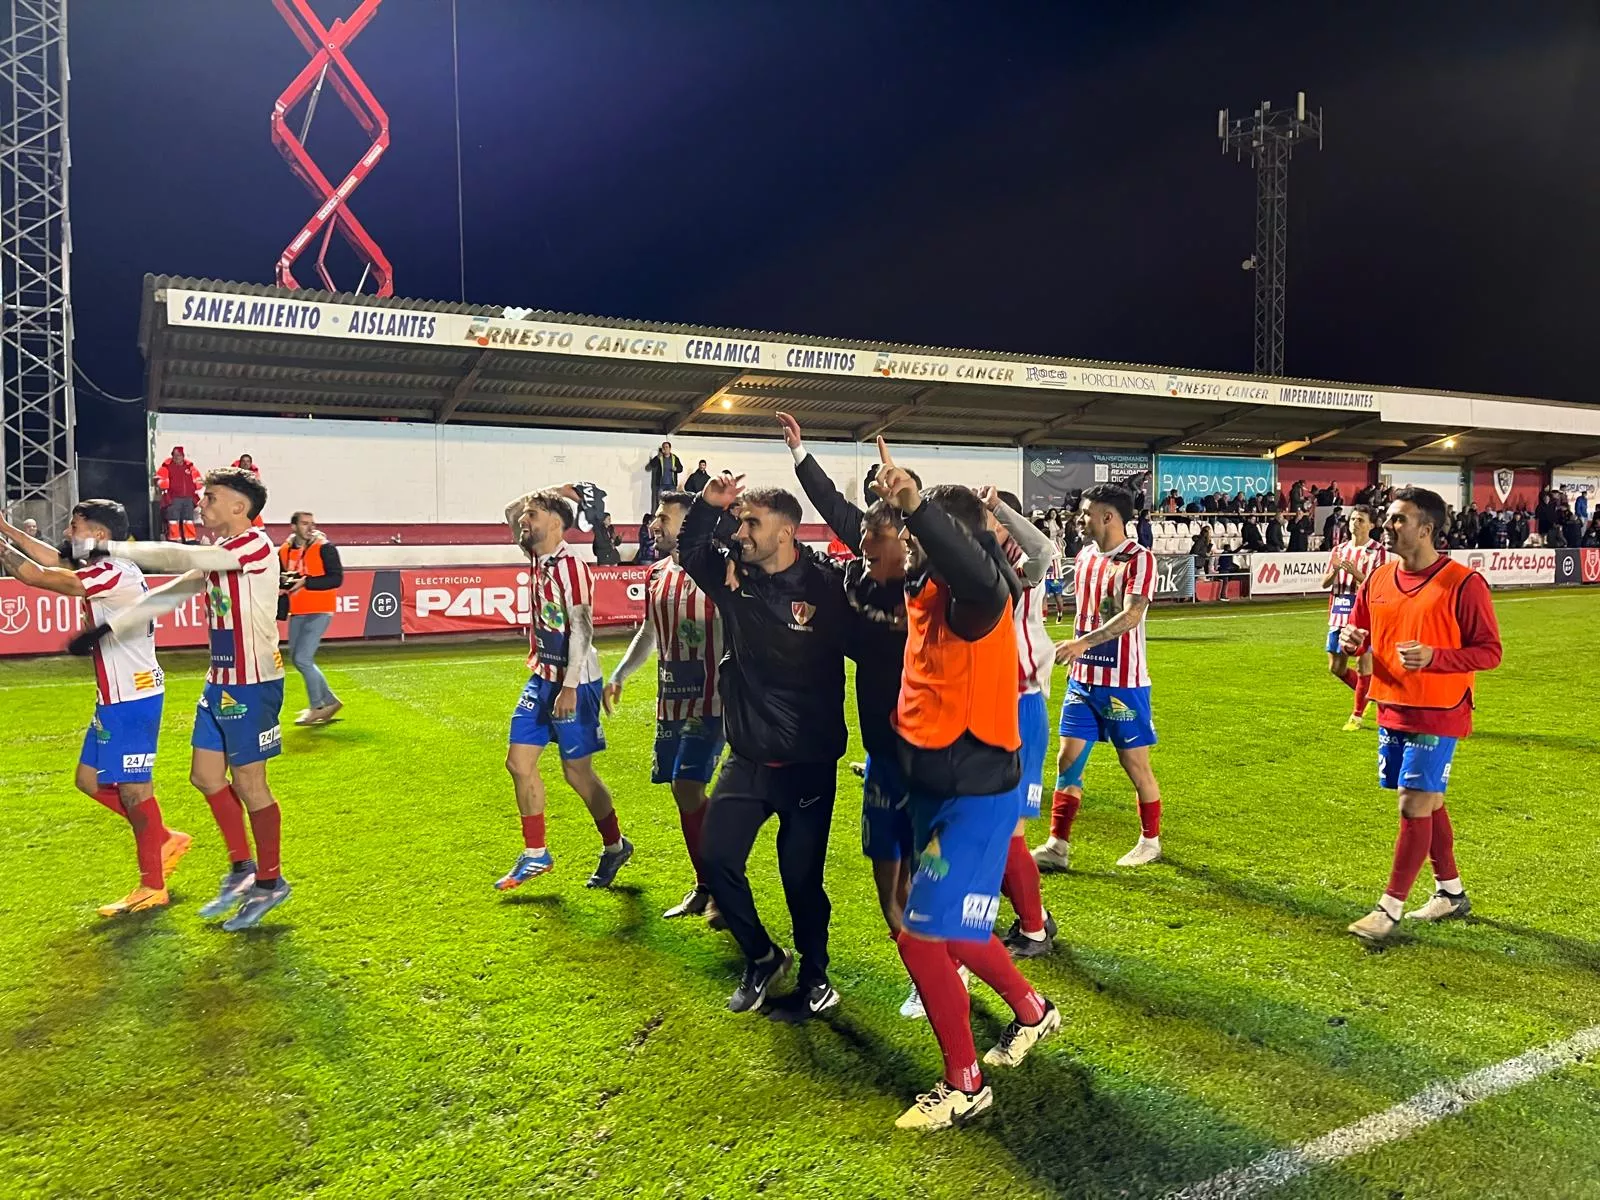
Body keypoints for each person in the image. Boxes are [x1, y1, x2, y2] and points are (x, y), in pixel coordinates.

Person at [870, 443, 1060, 1132]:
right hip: (937, 785)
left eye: (911, 527)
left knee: (921, 938)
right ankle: (1034, 1012)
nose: (900, 535)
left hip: (976, 793)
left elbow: (985, 576)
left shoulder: (977, 596)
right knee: (954, 931)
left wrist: (917, 506)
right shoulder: (926, 584)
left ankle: (965, 1082)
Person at [85, 468, 292, 930]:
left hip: (253, 683)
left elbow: (179, 557)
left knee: (251, 784)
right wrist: (109, 627)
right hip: (220, 680)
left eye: (211, 497)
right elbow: (177, 589)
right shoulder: (223, 554)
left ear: (239, 507)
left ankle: (270, 881)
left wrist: (112, 548)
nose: (202, 503)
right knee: (205, 777)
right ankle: (243, 868)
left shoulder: (253, 545)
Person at [679, 471, 849, 1017]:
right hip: (748, 757)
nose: (742, 532)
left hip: (808, 762)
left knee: (801, 879)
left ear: (786, 532)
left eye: (753, 523)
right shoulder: (735, 578)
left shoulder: (827, 586)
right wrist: (710, 503)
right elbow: (691, 550)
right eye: (740, 522)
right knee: (716, 860)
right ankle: (762, 956)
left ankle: (816, 976)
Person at [780, 412, 922, 1015]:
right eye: (861, 536)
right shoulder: (856, 579)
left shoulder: (927, 587)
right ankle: (922, 965)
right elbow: (837, 510)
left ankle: (946, 966)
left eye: (873, 537)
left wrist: (909, 500)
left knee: (925, 866)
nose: (860, 545)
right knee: (885, 869)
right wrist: (800, 454)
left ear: (905, 540)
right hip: (880, 751)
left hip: (929, 752)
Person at [0, 502, 192, 915]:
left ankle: (152, 885)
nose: (68, 532)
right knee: (88, 781)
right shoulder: (106, 564)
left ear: (99, 535)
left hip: (133, 698)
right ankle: (161, 837)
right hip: (114, 696)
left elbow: (37, 575)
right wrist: (7, 530)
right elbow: (52, 559)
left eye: (75, 526)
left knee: (135, 792)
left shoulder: (113, 572)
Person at [1338, 488, 1502, 944]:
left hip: (1441, 708)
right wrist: (1353, 641)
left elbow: (1490, 652)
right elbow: (1360, 630)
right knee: (1430, 802)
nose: (1387, 527)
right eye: (1389, 518)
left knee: (1412, 802)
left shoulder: (1464, 583)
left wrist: (1435, 657)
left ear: (1427, 529)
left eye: (1398, 520)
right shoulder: (1378, 579)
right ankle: (1451, 892)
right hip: (1392, 704)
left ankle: (1388, 909)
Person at [495, 490, 631, 891]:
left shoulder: (573, 567)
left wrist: (569, 687)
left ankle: (615, 846)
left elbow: (583, 629)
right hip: (542, 676)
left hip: (577, 681)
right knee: (518, 764)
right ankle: (536, 854)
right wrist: (560, 490)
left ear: (556, 523)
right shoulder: (537, 555)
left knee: (578, 774)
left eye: (533, 515)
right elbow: (510, 510)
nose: (524, 520)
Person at [605, 491, 723, 924]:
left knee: (687, 786)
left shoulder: (715, 570)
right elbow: (649, 632)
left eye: (663, 518)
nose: (654, 525)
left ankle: (722, 885)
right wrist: (619, 674)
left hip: (713, 700)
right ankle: (706, 885)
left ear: (689, 524)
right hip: (672, 700)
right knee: (682, 792)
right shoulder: (656, 574)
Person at [1034, 484, 1163, 872]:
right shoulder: (1085, 556)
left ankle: (1150, 841)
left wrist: (1082, 644)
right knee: (1067, 760)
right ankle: (1058, 845)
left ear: (1108, 516)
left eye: (1086, 512)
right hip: (1083, 680)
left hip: (1124, 683)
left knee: (1134, 765)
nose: (1080, 519)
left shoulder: (1139, 559)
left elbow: (1132, 615)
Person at [982, 487, 1061, 961]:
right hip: (992, 707)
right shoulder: (980, 564)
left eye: (989, 517)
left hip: (1021, 706)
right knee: (991, 828)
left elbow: (1044, 550)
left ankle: (1034, 927)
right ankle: (1033, 916)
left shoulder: (1020, 569)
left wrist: (998, 508)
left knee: (1007, 831)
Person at [1322, 505, 1386, 732]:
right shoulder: (1338, 550)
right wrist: (1335, 571)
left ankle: (1356, 716)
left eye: (1360, 520)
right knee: (1336, 667)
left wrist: (1354, 572)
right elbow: (1325, 583)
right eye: (1353, 519)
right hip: (1338, 612)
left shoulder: (1377, 551)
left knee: (1363, 663)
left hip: (1363, 613)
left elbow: (1377, 585)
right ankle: (1372, 693)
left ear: (1371, 525)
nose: (1355, 523)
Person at [279, 511, 344, 727]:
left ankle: (317, 707)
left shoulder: (325, 547)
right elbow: (282, 576)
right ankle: (331, 702)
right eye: (305, 523)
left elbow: (336, 579)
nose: (310, 527)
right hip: (297, 610)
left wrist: (307, 582)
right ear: (293, 526)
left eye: (312, 523)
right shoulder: (284, 550)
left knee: (303, 658)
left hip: (320, 609)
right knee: (298, 658)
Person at [155, 445, 203, 542]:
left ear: (183, 456)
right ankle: (174, 539)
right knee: (173, 520)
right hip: (173, 498)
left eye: (179, 455)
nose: (177, 457)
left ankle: (190, 539)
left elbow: (199, 481)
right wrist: (164, 485)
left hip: (188, 499)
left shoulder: (190, 467)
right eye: (175, 455)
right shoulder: (166, 467)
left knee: (188, 520)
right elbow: (159, 480)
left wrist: (195, 487)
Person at [646, 441, 684, 509]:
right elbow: (652, 465)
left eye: (666, 447)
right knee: (660, 503)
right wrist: (657, 457)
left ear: (670, 448)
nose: (665, 449)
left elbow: (680, 468)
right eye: (663, 447)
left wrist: (676, 469)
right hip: (661, 485)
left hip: (672, 485)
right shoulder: (659, 457)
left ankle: (670, 515)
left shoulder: (674, 458)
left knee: (672, 503)